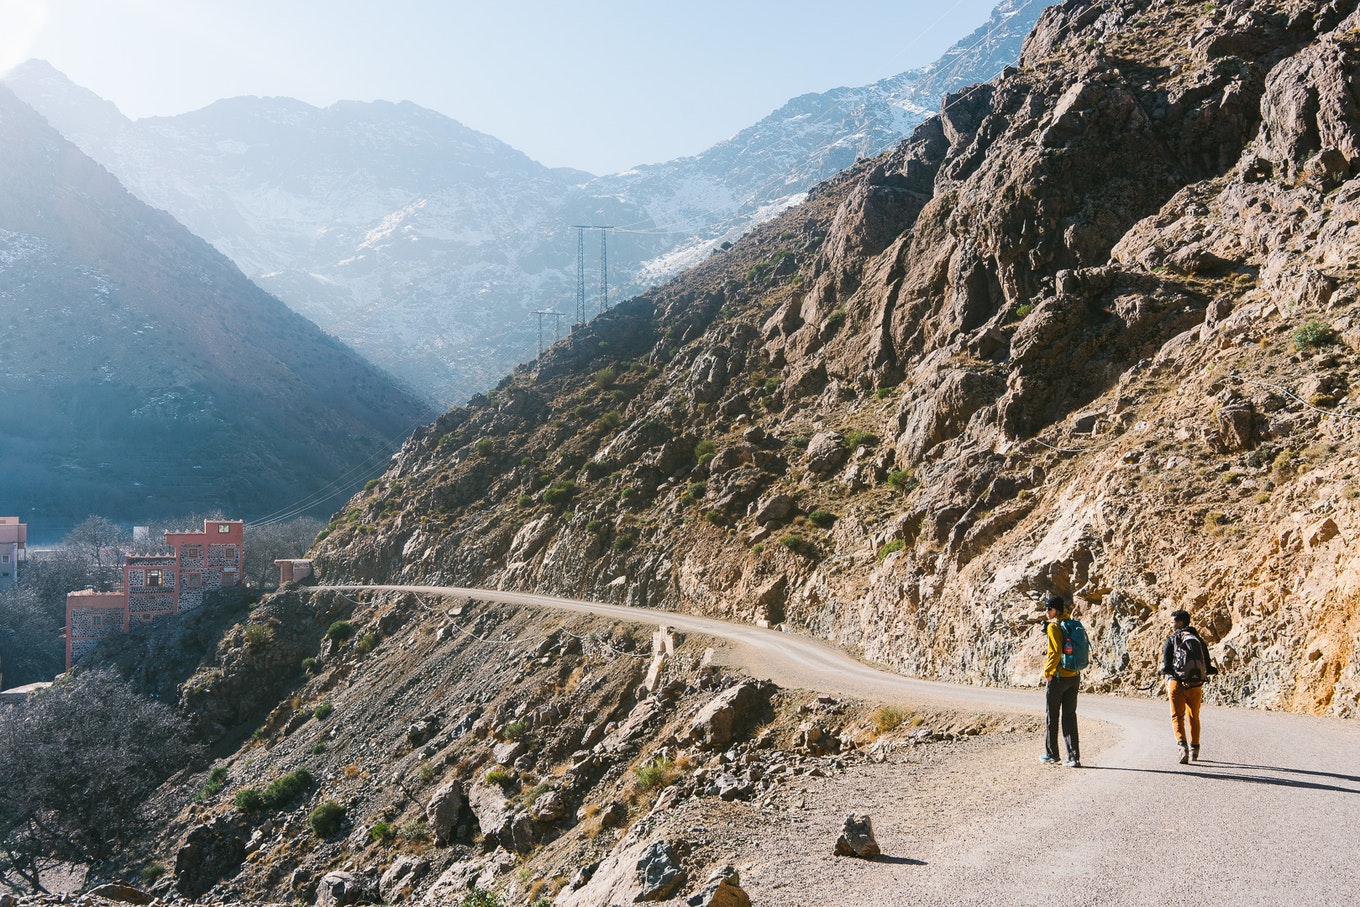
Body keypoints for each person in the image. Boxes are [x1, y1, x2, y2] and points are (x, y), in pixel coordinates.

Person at [1160, 609, 1218, 763]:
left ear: (1180, 623)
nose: (1171, 625)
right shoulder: (1198, 639)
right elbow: (1208, 665)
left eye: (1172, 622)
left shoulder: (1172, 639)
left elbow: (1167, 666)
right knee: (1194, 716)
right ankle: (1194, 750)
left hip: (1177, 683)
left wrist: (1169, 672)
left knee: (1177, 716)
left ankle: (1182, 748)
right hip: (1196, 684)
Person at [1040, 594, 1081, 767]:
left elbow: (1055, 652)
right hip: (1074, 676)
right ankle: (1073, 757)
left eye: (1049, 608)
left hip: (1058, 678)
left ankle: (1052, 754)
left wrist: (1047, 671)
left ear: (1056, 610)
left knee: (1052, 716)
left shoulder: (1054, 627)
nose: (1046, 612)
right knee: (1070, 717)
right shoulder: (1072, 624)